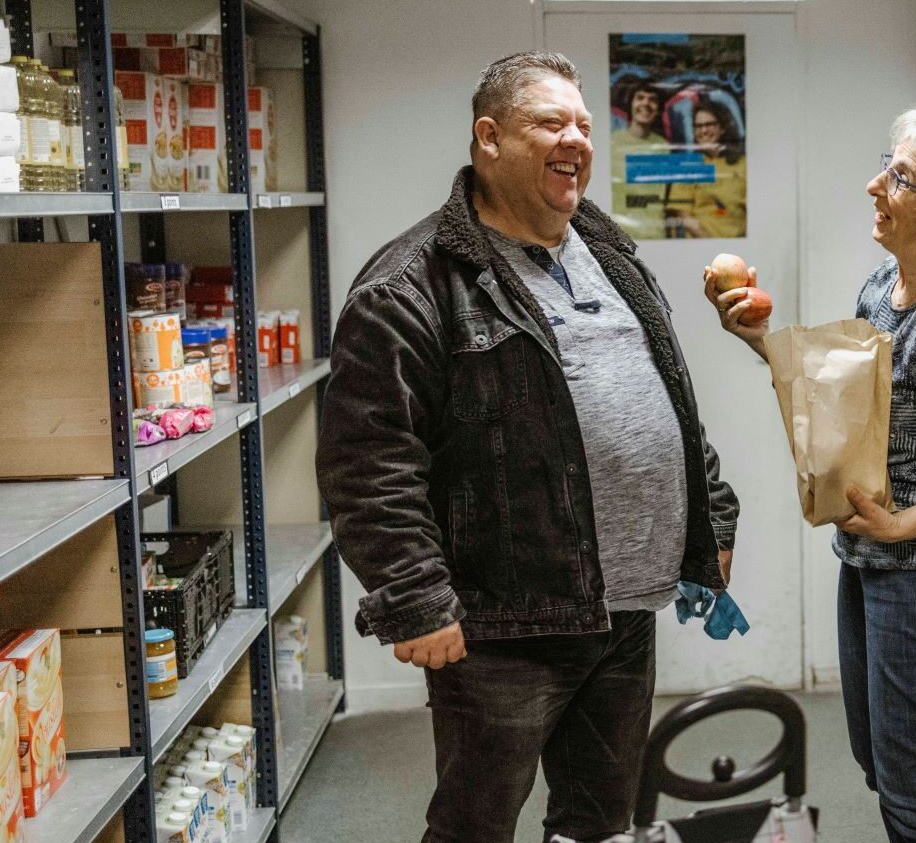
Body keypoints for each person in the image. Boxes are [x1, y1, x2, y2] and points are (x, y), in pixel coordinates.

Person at [317, 51, 740, 843]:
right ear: (488, 137)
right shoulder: (412, 282)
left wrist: (710, 519)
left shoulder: (609, 252)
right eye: (550, 122)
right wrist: (413, 596)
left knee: (597, 821)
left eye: (583, 123)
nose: (575, 139)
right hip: (502, 624)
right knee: (476, 826)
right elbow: (368, 461)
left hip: (624, 608)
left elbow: (672, 400)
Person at [705, 104, 916, 842]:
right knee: (883, 766)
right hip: (876, 558)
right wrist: (762, 340)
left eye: (899, 177)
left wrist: (902, 523)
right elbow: (846, 398)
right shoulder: (882, 286)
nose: (874, 185)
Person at [667, 99, 747, 238]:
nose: (703, 130)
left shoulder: (743, 164)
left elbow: (753, 213)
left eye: (709, 124)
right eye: (698, 126)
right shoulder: (688, 166)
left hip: (738, 248)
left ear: (722, 128)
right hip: (700, 246)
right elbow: (684, 216)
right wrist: (712, 245)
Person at [610, 79, 670, 240]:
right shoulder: (612, 143)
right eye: (640, 97)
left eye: (652, 99)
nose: (646, 103)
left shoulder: (664, 147)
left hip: (656, 235)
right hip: (620, 237)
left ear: (658, 109)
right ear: (631, 104)